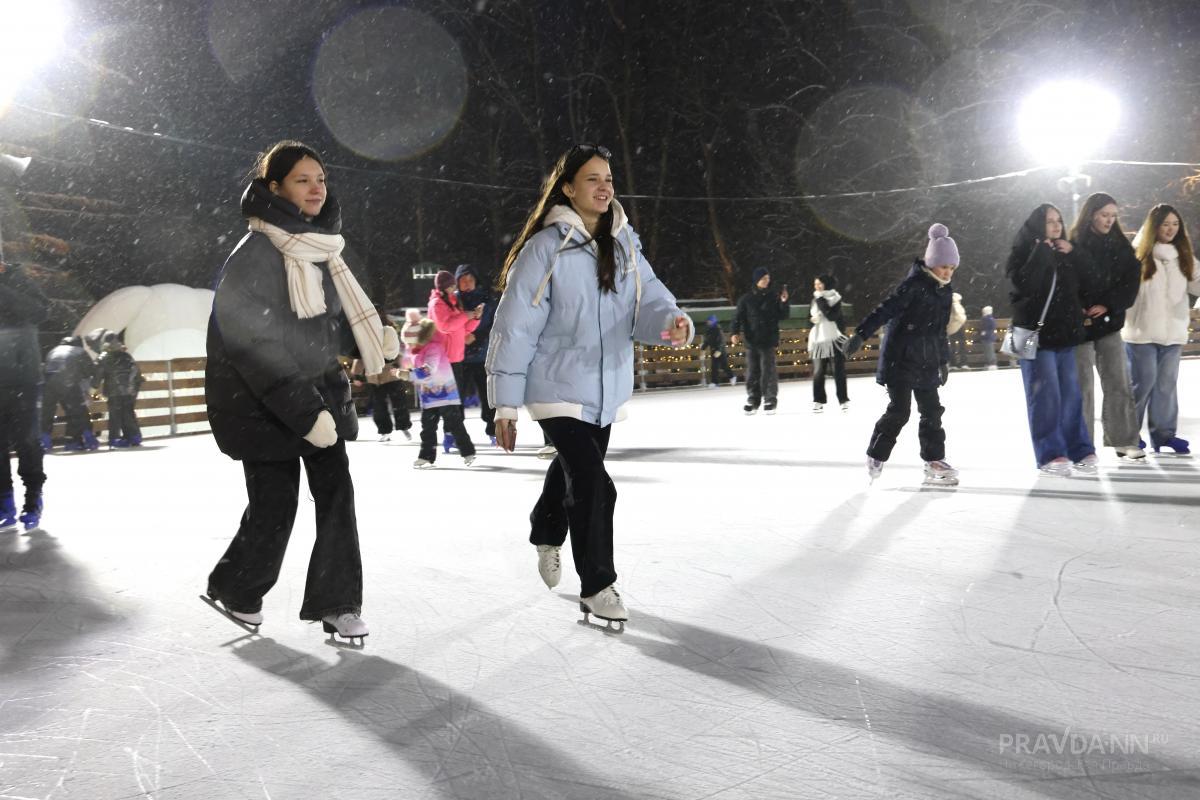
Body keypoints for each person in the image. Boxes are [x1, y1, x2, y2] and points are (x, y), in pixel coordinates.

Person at [487, 143, 692, 629]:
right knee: (597, 485)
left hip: (604, 386)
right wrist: (505, 403)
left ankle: (545, 528)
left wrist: (671, 321)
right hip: (553, 385)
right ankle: (597, 586)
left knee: (578, 471)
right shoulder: (545, 248)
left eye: (609, 179)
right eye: (593, 179)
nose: (604, 187)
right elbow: (515, 326)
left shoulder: (625, 243)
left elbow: (649, 299)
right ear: (568, 189)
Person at [204, 140, 400, 643]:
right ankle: (237, 587)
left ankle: (338, 603)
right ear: (275, 188)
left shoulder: (321, 250)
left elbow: (324, 324)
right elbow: (253, 345)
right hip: (261, 404)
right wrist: (301, 407)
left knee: (337, 496)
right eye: (302, 180)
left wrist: (369, 336)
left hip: (319, 397)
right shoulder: (254, 256)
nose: (316, 189)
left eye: (321, 179)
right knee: (275, 506)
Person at [841, 224, 959, 484]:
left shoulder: (945, 292)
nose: (948, 272)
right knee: (900, 411)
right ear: (931, 263)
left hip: (927, 361)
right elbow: (886, 309)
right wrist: (861, 334)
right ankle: (876, 455)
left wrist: (943, 361)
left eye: (952, 268)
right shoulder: (914, 285)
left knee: (932, 412)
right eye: (944, 267)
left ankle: (934, 461)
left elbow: (939, 330)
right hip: (901, 359)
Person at [1006, 204, 1095, 476]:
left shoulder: (1065, 252)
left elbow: (1092, 279)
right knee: (1046, 397)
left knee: (1070, 396)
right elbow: (1022, 286)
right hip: (1037, 338)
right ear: (1037, 225)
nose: (1056, 226)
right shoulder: (1023, 252)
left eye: (1059, 220)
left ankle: (1079, 448)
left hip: (1066, 335)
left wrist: (1075, 252)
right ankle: (1050, 453)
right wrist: (1041, 251)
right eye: (1049, 221)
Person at [1069, 192, 1144, 459]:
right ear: (1091, 214)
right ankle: (1081, 444)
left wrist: (1109, 305)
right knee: (1082, 387)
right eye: (1104, 215)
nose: (1109, 220)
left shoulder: (1122, 247)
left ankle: (1124, 439)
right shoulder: (1074, 243)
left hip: (1109, 323)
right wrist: (1077, 305)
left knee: (1118, 381)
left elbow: (1130, 283)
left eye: (1113, 215)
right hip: (1080, 326)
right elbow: (1067, 280)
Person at [1124, 204, 1200, 455]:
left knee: (1166, 385)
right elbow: (1122, 291)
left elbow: (1198, 283)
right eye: (1165, 223)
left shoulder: (1183, 256)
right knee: (1142, 383)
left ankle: (1164, 435)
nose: (1170, 229)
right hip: (1141, 332)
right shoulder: (1137, 255)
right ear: (1154, 226)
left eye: (1175, 224)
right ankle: (1127, 435)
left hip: (1173, 332)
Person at [0, 259, 48, 529]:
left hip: (23, 379)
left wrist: (3, 289)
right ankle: (4, 501)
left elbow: (40, 311)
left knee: (27, 441)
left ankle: (32, 499)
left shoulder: (18, 279)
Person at [401, 309, 477, 468]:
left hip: (445, 394)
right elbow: (412, 365)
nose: (409, 346)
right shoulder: (416, 351)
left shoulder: (433, 348)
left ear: (419, 338)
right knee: (427, 428)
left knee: (455, 424)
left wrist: (408, 375)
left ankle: (468, 451)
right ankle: (426, 456)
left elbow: (429, 370)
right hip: (429, 397)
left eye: (411, 342)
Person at [428, 269, 481, 454]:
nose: (453, 289)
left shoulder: (452, 302)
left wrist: (475, 317)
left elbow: (463, 328)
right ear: (442, 287)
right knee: (447, 404)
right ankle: (445, 437)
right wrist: (465, 315)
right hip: (443, 360)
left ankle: (450, 435)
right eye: (450, 286)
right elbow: (445, 326)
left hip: (457, 359)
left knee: (455, 402)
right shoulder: (437, 304)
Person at [731, 267, 790, 414]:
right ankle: (753, 399)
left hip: (768, 340)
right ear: (757, 280)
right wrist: (734, 332)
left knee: (768, 371)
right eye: (764, 279)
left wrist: (784, 302)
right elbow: (737, 318)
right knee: (752, 371)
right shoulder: (746, 299)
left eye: (768, 279)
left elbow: (783, 316)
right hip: (752, 340)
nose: (766, 281)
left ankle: (770, 399)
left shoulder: (773, 297)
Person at [350, 306, 412, 442]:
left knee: (399, 402)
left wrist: (402, 365)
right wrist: (357, 375)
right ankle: (385, 430)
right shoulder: (363, 333)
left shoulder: (389, 329)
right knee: (379, 406)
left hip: (391, 372)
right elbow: (360, 355)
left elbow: (398, 349)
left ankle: (403, 426)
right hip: (374, 375)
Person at [454, 263, 498, 444]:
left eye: (470, 279)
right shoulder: (452, 300)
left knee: (488, 395)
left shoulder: (485, 299)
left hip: (482, 354)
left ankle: (493, 430)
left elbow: (495, 323)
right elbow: (447, 323)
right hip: (458, 355)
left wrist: (478, 337)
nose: (466, 283)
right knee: (457, 397)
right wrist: (463, 335)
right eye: (462, 280)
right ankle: (456, 432)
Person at [40, 335, 99, 451]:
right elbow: (91, 371)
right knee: (79, 411)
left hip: (48, 384)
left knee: (47, 412)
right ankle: (82, 440)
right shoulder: (80, 351)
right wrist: (90, 389)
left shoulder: (53, 350)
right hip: (68, 382)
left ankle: (44, 441)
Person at [808, 274, 849, 412]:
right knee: (818, 372)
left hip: (834, 339)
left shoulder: (835, 298)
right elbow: (810, 317)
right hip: (818, 340)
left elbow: (831, 315)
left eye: (819, 284)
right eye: (815, 284)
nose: (817, 287)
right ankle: (818, 400)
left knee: (838, 371)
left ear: (826, 284)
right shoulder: (815, 298)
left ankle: (843, 400)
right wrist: (812, 319)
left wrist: (820, 299)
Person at [97, 330, 143, 448]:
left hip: (114, 392)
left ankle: (115, 438)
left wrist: (93, 387)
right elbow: (137, 372)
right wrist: (134, 387)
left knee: (115, 415)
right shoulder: (127, 356)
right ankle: (134, 436)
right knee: (128, 413)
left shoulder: (104, 357)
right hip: (129, 391)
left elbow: (98, 374)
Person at [702, 315, 734, 386]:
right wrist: (703, 349)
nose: (708, 323)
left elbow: (721, 341)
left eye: (710, 321)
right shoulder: (709, 331)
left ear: (713, 322)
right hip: (713, 351)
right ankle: (715, 382)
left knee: (724, 365)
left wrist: (719, 350)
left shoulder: (718, 330)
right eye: (708, 322)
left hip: (720, 351)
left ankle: (732, 377)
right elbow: (707, 340)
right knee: (714, 367)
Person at [947, 292, 968, 368]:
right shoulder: (956, 305)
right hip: (959, 326)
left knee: (953, 346)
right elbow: (959, 316)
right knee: (962, 345)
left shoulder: (948, 305)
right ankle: (963, 363)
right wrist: (963, 319)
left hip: (951, 328)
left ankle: (953, 363)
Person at [979, 305, 998, 369]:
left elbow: (986, 327)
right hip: (989, 337)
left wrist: (984, 333)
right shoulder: (990, 318)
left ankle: (991, 363)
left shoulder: (986, 318)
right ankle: (990, 363)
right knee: (989, 350)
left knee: (989, 351)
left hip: (987, 337)